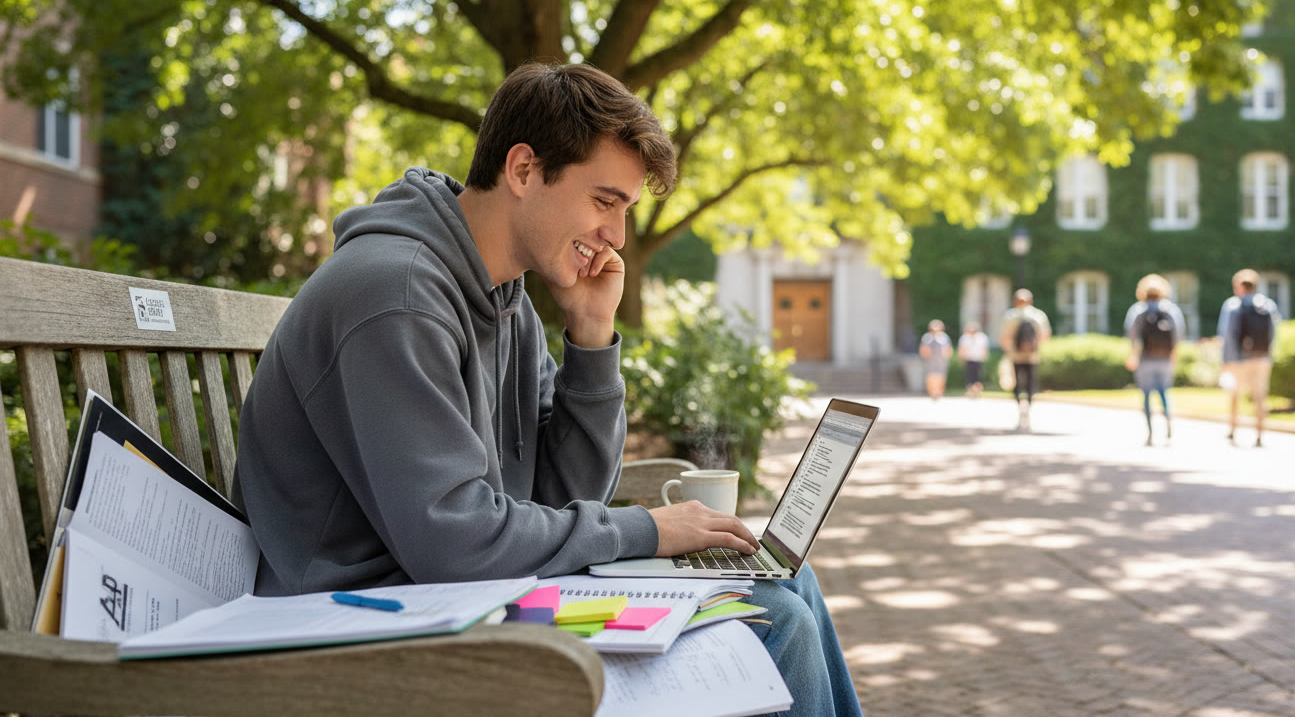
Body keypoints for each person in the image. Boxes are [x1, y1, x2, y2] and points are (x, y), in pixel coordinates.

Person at [233, 62, 862, 715]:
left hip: (464, 595)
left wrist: (591, 336)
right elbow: (456, 543)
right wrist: (644, 531)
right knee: (771, 622)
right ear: (524, 169)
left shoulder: (505, 301)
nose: (616, 238)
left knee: (793, 586)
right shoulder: (398, 297)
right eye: (605, 202)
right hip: (364, 623)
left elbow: (564, 498)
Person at [1216, 268, 1281, 447]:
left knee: (1235, 395)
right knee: (1260, 398)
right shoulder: (1267, 305)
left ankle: (1233, 430)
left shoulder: (1232, 305)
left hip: (1239, 359)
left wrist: (1225, 361)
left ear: (1239, 286)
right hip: (1261, 357)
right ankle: (1259, 434)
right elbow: (1274, 333)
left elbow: (1227, 335)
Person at [1122, 274, 1186, 446]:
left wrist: (1133, 355)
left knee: (1146, 394)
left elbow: (1132, 335)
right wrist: (1174, 353)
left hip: (1145, 358)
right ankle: (1168, 424)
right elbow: (1178, 333)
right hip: (1165, 358)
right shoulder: (1170, 309)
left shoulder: (1138, 310)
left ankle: (1150, 433)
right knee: (1164, 392)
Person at [999, 288, 1051, 431]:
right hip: (1032, 356)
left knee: (1017, 384)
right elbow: (1045, 336)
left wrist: (1009, 351)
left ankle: (1019, 407)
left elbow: (1004, 338)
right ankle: (1027, 406)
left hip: (1015, 356)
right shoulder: (1038, 316)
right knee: (1030, 384)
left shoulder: (1010, 316)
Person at [918, 319, 953, 400]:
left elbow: (948, 349)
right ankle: (932, 392)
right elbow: (922, 349)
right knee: (931, 377)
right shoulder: (927, 337)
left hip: (941, 361)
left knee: (940, 377)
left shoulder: (944, 337)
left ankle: (939, 392)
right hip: (930, 361)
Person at [957, 321, 989, 398]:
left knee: (978, 376)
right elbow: (962, 349)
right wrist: (961, 358)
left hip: (978, 360)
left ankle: (977, 391)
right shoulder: (965, 338)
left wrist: (985, 357)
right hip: (969, 359)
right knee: (969, 377)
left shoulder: (981, 337)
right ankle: (971, 391)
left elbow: (984, 349)